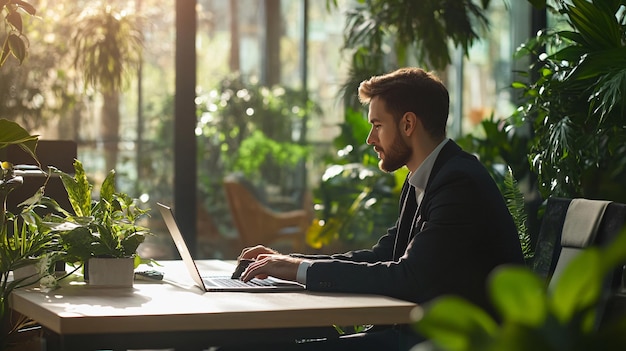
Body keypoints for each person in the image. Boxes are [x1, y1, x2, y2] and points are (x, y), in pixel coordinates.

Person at [236, 67, 525, 350]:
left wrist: (298, 269)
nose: (370, 139)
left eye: (377, 126)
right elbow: (383, 255)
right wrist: (286, 261)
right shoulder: (425, 178)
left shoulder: (458, 183)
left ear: (408, 124)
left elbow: (409, 276)